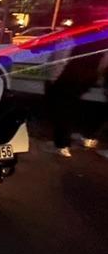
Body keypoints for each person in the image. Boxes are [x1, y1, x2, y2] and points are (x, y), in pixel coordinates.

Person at [45, 26, 108, 157]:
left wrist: (53, 79)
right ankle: (82, 138)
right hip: (85, 80)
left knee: (62, 111)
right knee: (72, 109)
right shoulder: (101, 38)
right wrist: (95, 77)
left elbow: (60, 59)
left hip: (68, 79)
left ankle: (61, 145)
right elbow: (104, 63)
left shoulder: (71, 35)